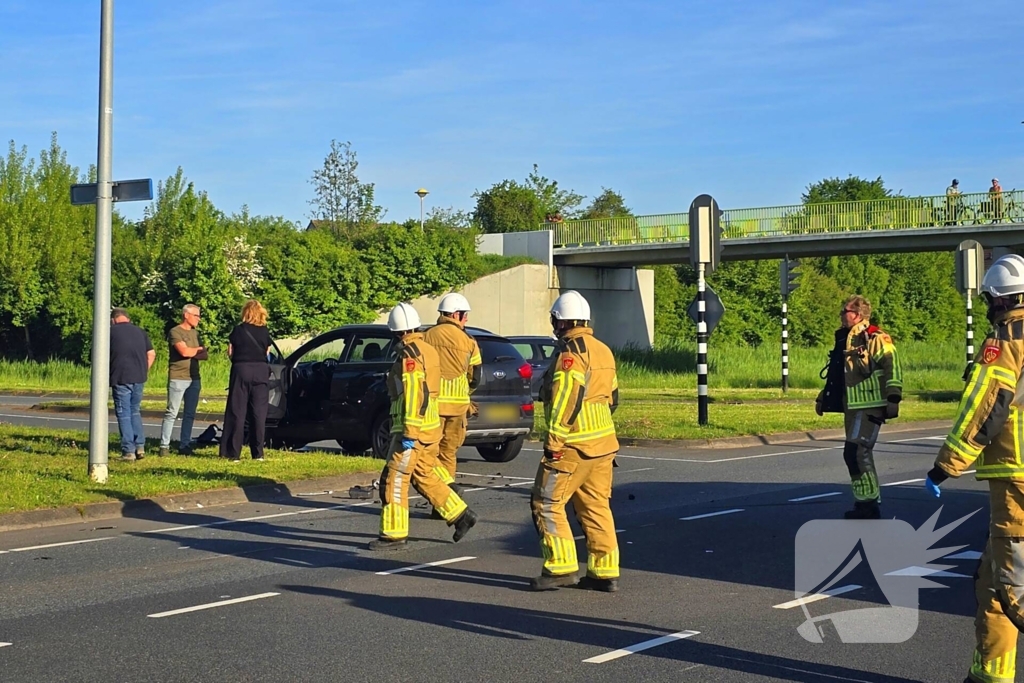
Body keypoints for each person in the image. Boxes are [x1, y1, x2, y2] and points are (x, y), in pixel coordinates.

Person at [925, 254, 1024, 683]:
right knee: (993, 584)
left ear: (997, 299)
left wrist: (945, 466)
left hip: (1017, 477)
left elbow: (986, 407)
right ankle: (990, 677)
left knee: (1015, 587)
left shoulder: (1006, 339)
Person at [530, 290, 621, 592]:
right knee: (596, 507)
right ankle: (604, 572)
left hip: (573, 444)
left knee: (547, 502)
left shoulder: (571, 354)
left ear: (559, 321)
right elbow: (614, 398)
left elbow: (567, 399)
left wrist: (555, 441)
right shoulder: (603, 350)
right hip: (604, 444)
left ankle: (560, 566)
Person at [370, 302, 479, 551]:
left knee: (394, 478)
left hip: (412, 430)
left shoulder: (409, 355)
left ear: (396, 332)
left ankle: (393, 534)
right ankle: (461, 515)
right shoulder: (427, 350)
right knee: (423, 474)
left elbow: (413, 395)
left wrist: (409, 432)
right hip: (430, 427)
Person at [815, 295, 902, 519]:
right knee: (857, 453)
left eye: (845, 311)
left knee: (855, 452)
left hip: (871, 405)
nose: (841, 315)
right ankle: (865, 502)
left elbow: (893, 366)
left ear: (858, 314)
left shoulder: (875, 337)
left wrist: (893, 397)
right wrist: (825, 397)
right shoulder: (845, 338)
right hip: (852, 406)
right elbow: (838, 374)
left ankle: (868, 503)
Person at [423, 292, 482, 492]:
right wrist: (467, 393)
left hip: (433, 407)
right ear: (456, 314)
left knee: (429, 453)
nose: (466, 319)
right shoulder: (469, 341)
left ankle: (442, 492)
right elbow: (476, 376)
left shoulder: (426, 336)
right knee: (448, 453)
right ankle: (447, 497)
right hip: (458, 408)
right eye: (465, 315)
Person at [220, 300, 272, 462]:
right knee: (258, 413)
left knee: (237, 411)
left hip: (241, 370)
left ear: (246, 313)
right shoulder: (265, 332)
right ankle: (258, 453)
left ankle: (233, 453)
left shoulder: (238, 330)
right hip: (261, 371)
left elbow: (230, 352)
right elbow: (267, 352)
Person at [159, 304, 207, 456]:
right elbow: (184, 351)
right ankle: (164, 445)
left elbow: (204, 354)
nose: (198, 319)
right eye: (196, 315)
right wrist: (196, 351)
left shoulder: (195, 333)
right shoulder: (175, 331)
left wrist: (196, 351)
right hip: (178, 377)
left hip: (194, 377)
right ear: (186, 315)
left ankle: (184, 444)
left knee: (190, 413)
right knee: (172, 412)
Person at [109, 308, 155, 462]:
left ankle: (128, 450)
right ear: (127, 318)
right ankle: (140, 446)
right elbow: (151, 353)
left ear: (113, 319)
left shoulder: (110, 332)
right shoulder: (140, 332)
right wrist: (143, 370)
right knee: (135, 411)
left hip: (121, 377)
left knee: (123, 413)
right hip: (139, 377)